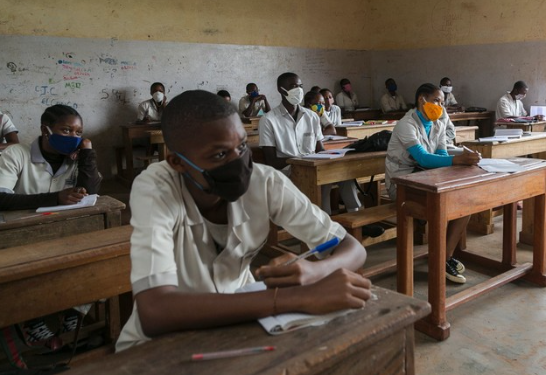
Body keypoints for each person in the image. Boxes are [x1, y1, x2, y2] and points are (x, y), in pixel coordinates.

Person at [116, 90, 370, 352]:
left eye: (241, 146)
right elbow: (156, 310)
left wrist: (315, 272)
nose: (238, 163)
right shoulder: (155, 188)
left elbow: (352, 249)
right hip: (163, 346)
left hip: (241, 324)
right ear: (177, 162)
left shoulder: (264, 181)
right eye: (219, 155)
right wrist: (295, 298)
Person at [0, 104, 101, 348]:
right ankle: (32, 320)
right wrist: (55, 198)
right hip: (20, 233)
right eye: (66, 130)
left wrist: (87, 153)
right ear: (45, 130)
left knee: (89, 257)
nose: (73, 137)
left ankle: (72, 312)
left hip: (63, 231)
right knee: (24, 270)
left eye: (78, 132)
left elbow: (90, 192)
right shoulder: (17, 154)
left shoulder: (76, 158)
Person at [385, 83, 482, 284]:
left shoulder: (437, 124)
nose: (440, 106)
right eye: (436, 100)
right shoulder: (406, 124)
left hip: (425, 177)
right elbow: (422, 158)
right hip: (401, 182)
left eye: (442, 102)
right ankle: (440, 260)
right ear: (422, 100)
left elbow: (441, 154)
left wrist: (460, 160)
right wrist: (458, 160)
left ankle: (443, 257)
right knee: (444, 205)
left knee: (465, 203)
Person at [259, 72, 362, 215]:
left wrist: (335, 156)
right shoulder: (268, 120)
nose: (298, 90)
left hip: (313, 167)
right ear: (281, 90)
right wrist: (301, 161)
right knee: (320, 178)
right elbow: (272, 161)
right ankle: (325, 216)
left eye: (300, 86)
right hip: (288, 171)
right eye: (293, 86)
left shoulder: (311, 116)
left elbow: (320, 150)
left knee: (343, 172)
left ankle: (354, 214)